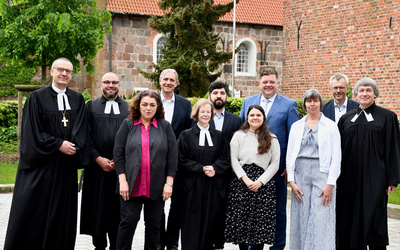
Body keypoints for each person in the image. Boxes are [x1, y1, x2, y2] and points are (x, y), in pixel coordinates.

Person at [4, 57, 90, 250]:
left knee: (62, 215)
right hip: (42, 168)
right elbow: (31, 132)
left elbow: (82, 130)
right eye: (60, 69)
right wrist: (58, 144)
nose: (64, 74)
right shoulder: (36, 98)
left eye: (68, 71)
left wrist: (76, 147)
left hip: (65, 169)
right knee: (35, 213)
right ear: (51, 72)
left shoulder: (77, 99)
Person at [336, 78, 400, 250]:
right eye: (361, 90)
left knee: (374, 220)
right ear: (355, 94)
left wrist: (392, 180)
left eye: (368, 90)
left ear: (375, 94)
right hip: (349, 179)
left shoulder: (388, 117)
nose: (364, 94)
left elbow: (393, 148)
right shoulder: (345, 119)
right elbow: (338, 151)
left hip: (376, 179)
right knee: (350, 219)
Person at [239, 67, 299, 250]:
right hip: (251, 168)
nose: (268, 85)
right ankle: (253, 244)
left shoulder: (289, 105)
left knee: (278, 210)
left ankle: (278, 246)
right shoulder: (248, 102)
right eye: (265, 82)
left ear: (277, 83)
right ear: (259, 83)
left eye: (272, 82)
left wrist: (290, 165)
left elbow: (293, 138)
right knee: (252, 209)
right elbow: (241, 131)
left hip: (277, 168)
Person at [113, 90, 178, 250]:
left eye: (152, 105)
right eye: (144, 104)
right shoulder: (128, 124)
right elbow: (118, 153)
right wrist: (122, 181)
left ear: (158, 107)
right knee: (127, 223)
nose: (148, 108)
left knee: (154, 226)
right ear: (138, 105)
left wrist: (169, 183)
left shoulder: (165, 126)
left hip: (156, 186)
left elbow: (173, 156)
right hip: (131, 185)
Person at [286, 89, 341, 250]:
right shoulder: (296, 126)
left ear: (320, 104)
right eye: (309, 101)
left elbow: (336, 157)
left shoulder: (331, 126)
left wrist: (331, 184)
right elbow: (290, 155)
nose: (312, 104)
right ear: (304, 104)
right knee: (300, 218)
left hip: (322, 174)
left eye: (315, 101)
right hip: (301, 174)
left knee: (321, 218)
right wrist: (291, 180)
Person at [80, 72, 129, 250]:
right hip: (96, 169)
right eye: (107, 82)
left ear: (119, 85)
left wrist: (119, 160)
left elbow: (132, 138)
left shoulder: (129, 108)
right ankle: (98, 246)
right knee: (97, 210)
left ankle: (117, 246)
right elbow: (85, 136)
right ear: (100, 85)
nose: (111, 85)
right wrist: (97, 158)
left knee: (118, 210)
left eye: (114, 82)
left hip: (120, 170)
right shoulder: (90, 107)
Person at [174, 99, 231, 250]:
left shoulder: (220, 136)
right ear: (196, 114)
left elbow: (225, 158)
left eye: (208, 112)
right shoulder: (185, 135)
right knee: (191, 222)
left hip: (213, 186)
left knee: (211, 222)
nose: (205, 114)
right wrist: (200, 168)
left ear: (212, 114)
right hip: (192, 187)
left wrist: (214, 168)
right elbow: (180, 159)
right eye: (202, 111)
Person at [225, 104, 280, 250]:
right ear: (247, 118)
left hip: (263, 184)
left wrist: (260, 182)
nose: (255, 117)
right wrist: (246, 179)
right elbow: (233, 159)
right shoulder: (238, 136)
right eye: (252, 115)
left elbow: (274, 164)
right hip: (241, 182)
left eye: (258, 115)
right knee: (242, 224)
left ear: (263, 118)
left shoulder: (272, 138)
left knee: (259, 226)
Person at [158, 68, 192, 250]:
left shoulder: (185, 104)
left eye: (172, 80)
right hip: (155, 160)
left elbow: (188, 133)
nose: (168, 82)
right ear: (160, 81)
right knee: (157, 203)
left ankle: (171, 242)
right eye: (165, 79)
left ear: (176, 83)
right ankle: (158, 241)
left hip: (178, 161)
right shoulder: (151, 101)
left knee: (177, 203)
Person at [208, 81, 242, 249]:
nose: (219, 96)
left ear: (226, 96)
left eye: (222, 93)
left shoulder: (236, 121)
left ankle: (220, 244)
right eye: (215, 93)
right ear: (209, 96)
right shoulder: (203, 117)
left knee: (223, 210)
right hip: (207, 172)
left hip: (228, 173)